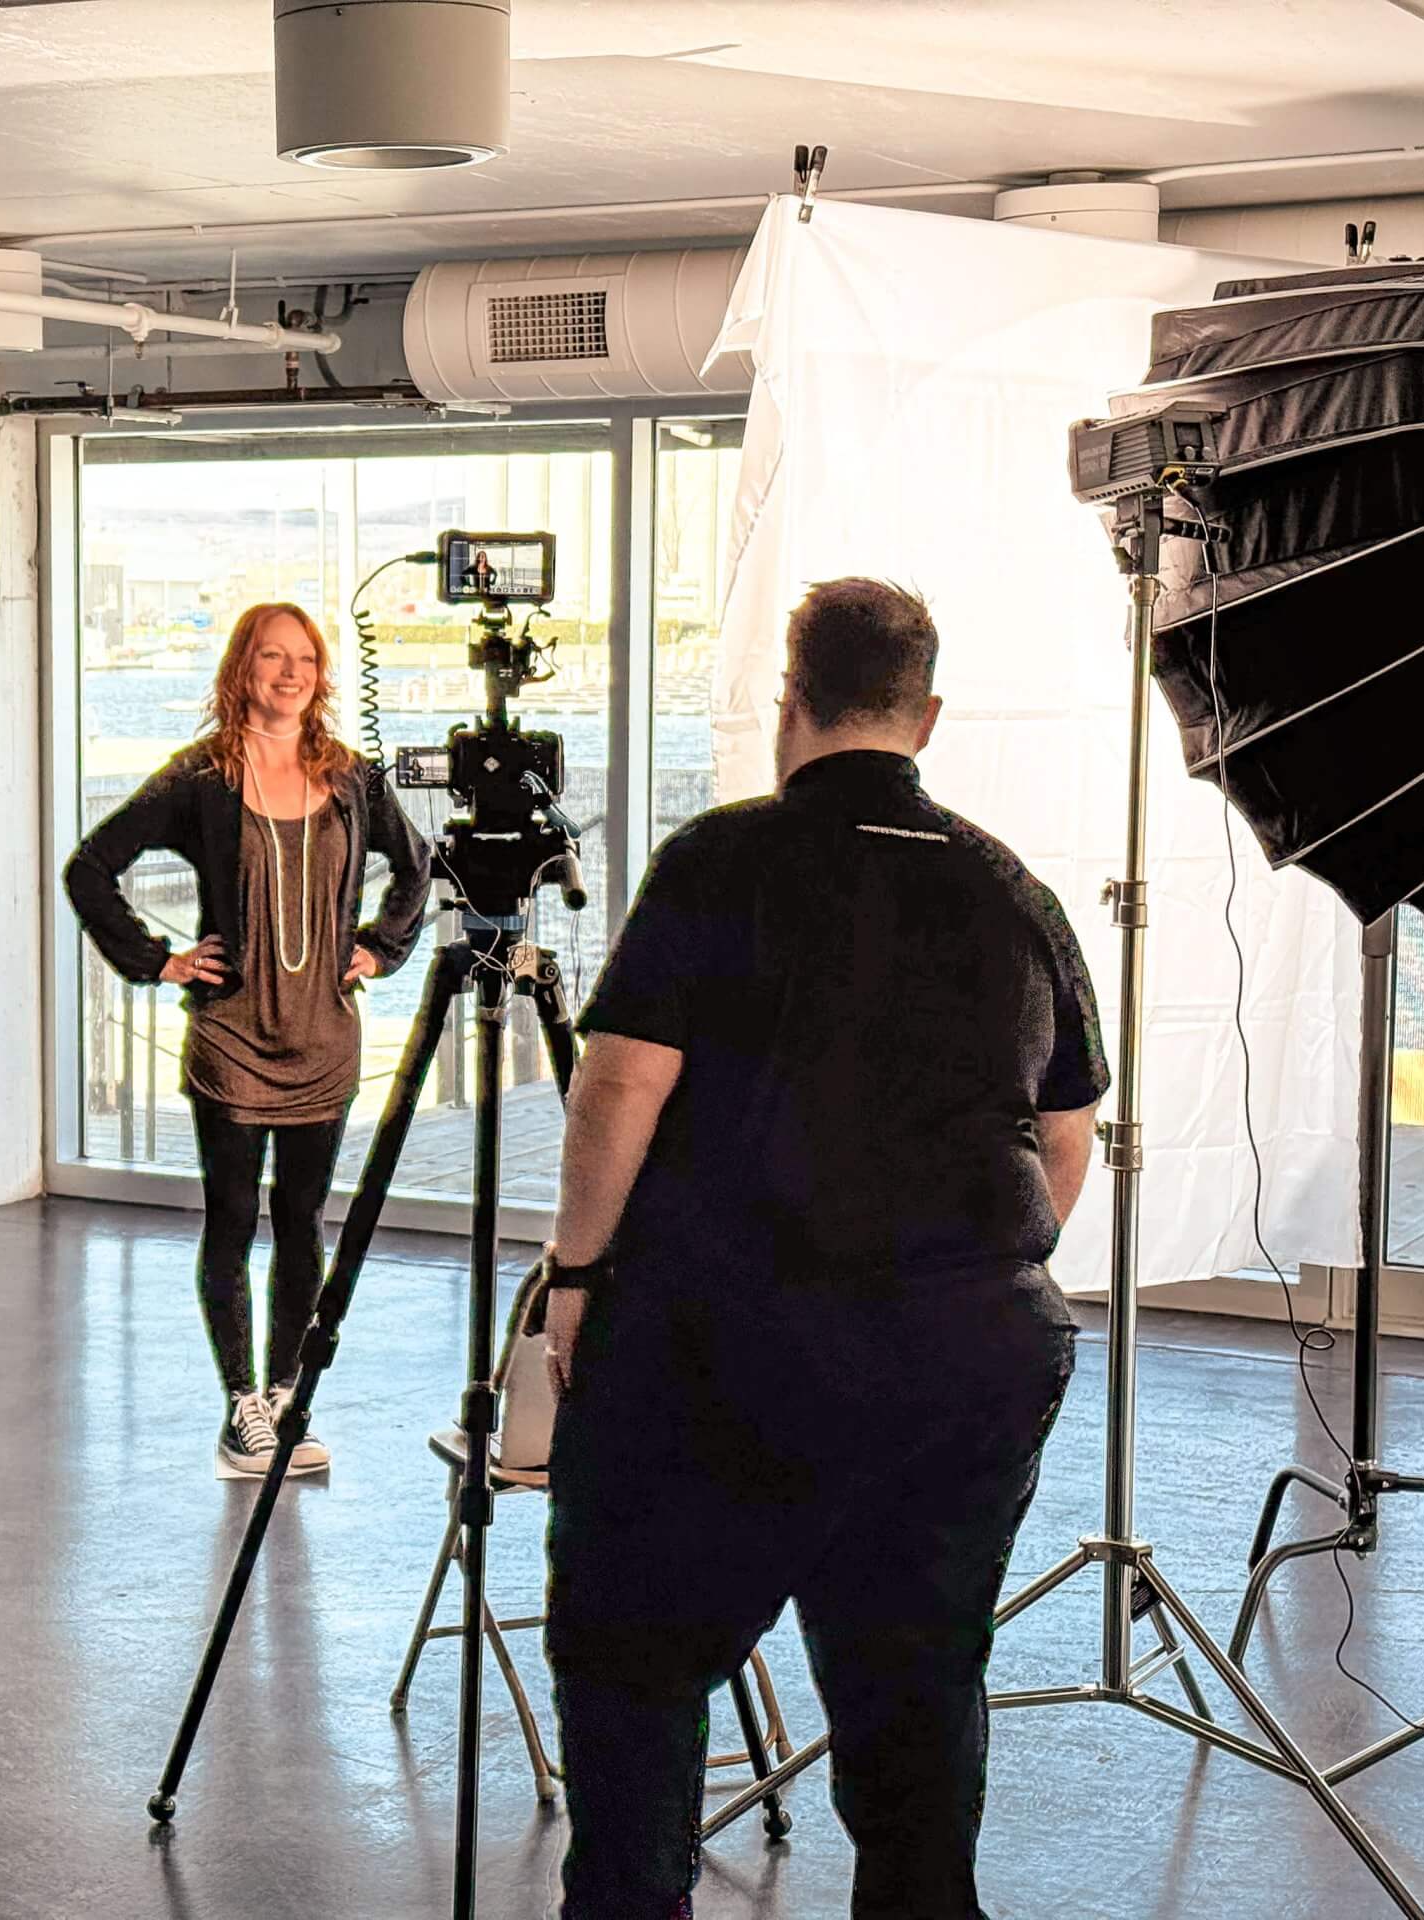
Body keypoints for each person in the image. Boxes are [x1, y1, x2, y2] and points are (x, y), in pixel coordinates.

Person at [537, 579, 1109, 1919]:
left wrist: (575, 1277)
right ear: (928, 716)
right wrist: (954, 1272)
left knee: (635, 1664)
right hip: (969, 1357)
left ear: (788, 703)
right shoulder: (1011, 892)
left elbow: (618, 1086)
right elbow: (1064, 1138)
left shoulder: (718, 860)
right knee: (918, 1688)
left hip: (727, 1344)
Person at [66, 601, 432, 1480]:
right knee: (232, 1220)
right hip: (232, 1041)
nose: (290, 672)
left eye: (304, 657)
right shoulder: (202, 777)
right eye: (272, 656)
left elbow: (417, 863)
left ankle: (287, 1398)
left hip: (323, 1042)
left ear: (321, 673)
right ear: (243, 669)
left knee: (302, 1223)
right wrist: (158, 961)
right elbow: (91, 868)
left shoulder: (351, 777)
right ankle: (241, 1409)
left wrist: (381, 948)